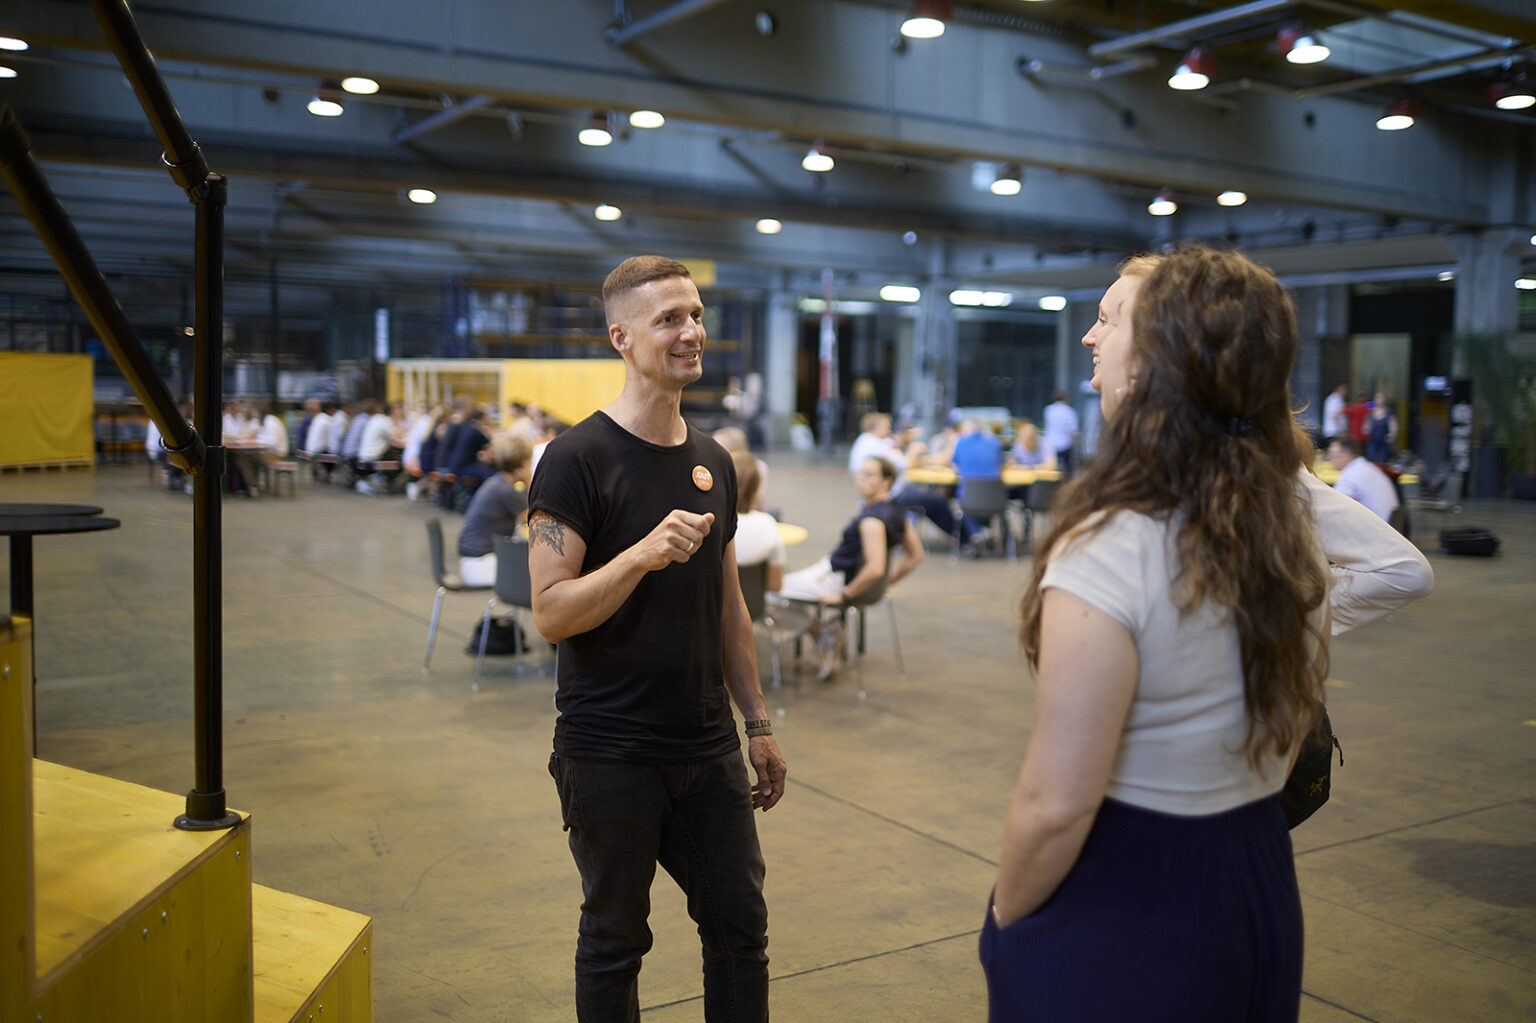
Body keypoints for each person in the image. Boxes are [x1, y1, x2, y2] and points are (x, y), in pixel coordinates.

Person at [983, 246, 1433, 1022]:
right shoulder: (1288, 542)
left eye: (1109, 321)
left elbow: (1055, 806)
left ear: (1158, 362)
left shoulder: (1113, 546)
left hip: (1134, 896)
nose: (1090, 339)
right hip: (1257, 875)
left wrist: (1007, 923)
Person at [527, 255, 787, 1023]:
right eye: (670, 318)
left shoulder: (714, 461)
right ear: (622, 336)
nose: (691, 332)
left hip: (705, 748)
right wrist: (640, 553)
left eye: (697, 314)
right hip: (609, 751)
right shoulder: (576, 459)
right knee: (614, 940)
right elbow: (551, 611)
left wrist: (759, 723)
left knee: (741, 929)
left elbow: (728, 604)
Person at [777, 455, 925, 680]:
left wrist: (845, 596)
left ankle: (821, 634)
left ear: (886, 482)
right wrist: (887, 582)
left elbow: (876, 568)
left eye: (869, 475)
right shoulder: (897, 511)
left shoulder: (872, 520)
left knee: (770, 589)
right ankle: (825, 631)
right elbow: (916, 556)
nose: (860, 480)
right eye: (860, 474)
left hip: (833, 578)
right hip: (835, 573)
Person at [457, 433, 534, 586]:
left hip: (474, 561)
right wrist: (529, 479)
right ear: (524, 464)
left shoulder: (497, 482)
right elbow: (535, 518)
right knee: (535, 576)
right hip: (480, 566)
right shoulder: (505, 490)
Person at [728, 450, 787, 593]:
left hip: (718, 611)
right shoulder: (767, 523)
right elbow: (775, 585)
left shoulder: (713, 525)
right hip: (756, 609)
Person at [1328, 436, 1400, 522]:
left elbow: (1334, 508)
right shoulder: (1368, 467)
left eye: (1332, 454)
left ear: (1345, 456)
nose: (1329, 459)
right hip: (1390, 528)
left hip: (1376, 530)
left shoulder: (1350, 476)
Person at [1042, 390, 1079, 474]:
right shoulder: (1069, 411)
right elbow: (1074, 431)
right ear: (1065, 399)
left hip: (1051, 443)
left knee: (1052, 469)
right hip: (1066, 444)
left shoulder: (1048, 410)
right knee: (1068, 471)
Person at [1364, 392, 1399, 464]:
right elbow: (1367, 427)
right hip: (1373, 441)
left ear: (1384, 400)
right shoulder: (1371, 413)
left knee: (1383, 461)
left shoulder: (1389, 413)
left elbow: (1393, 426)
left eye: (1380, 398)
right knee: (1371, 460)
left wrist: (1392, 435)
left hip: (1384, 441)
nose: (1378, 400)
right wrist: (1366, 428)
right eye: (1377, 398)